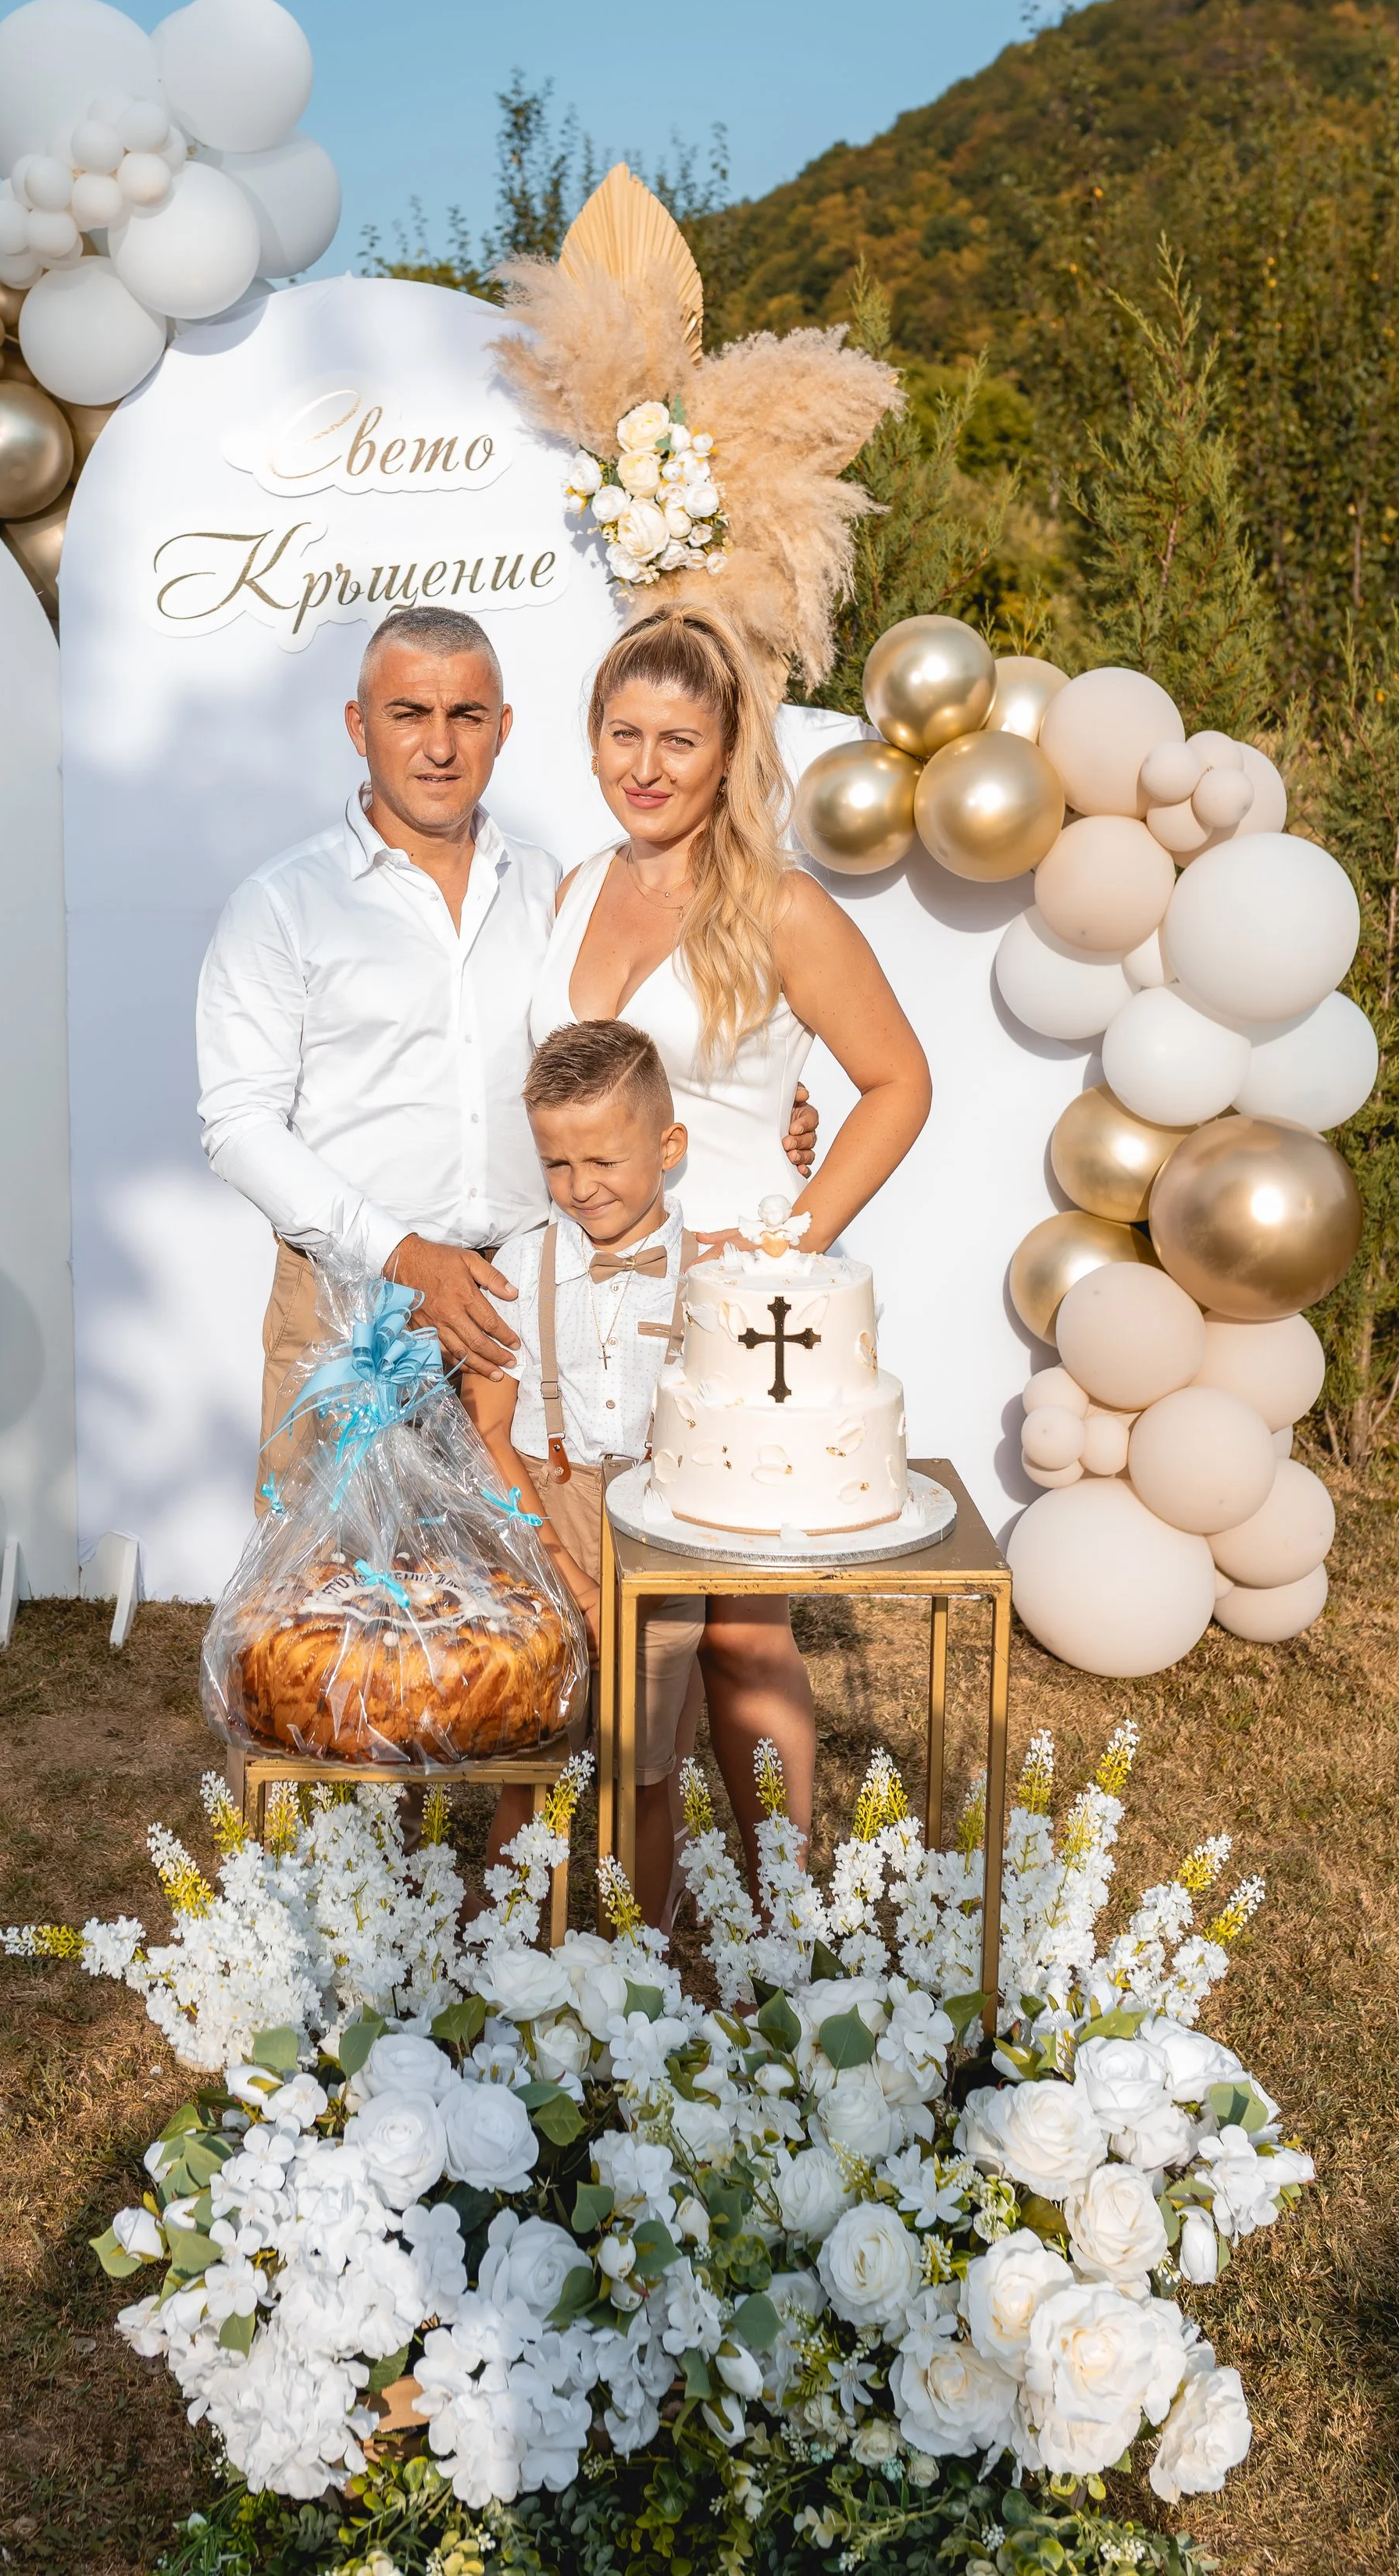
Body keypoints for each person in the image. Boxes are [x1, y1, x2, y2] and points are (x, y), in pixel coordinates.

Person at [195, 604, 821, 1461]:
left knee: (524, 1583)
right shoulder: (281, 906)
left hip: (533, 1293)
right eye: (408, 714)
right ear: (357, 726)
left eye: (467, 716)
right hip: (352, 1296)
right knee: (332, 1580)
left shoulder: (551, 889)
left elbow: (601, 1055)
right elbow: (237, 1127)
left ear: (504, 728)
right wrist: (405, 1256)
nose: (440, 746)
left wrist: (763, 1087)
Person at [530, 603, 932, 1879]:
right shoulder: (573, 888)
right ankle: (637, 1915)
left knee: (739, 1632)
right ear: (593, 741)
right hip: (589, 1305)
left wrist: (779, 1250)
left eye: (679, 740)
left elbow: (898, 1082)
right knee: (617, 1617)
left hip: (725, 1322)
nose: (646, 766)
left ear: (725, 754)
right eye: (623, 733)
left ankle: (782, 1916)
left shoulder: (781, 908)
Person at [462, 1018, 703, 1924]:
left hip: (662, 1531)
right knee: (535, 1750)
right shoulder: (520, 1266)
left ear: (668, 1146)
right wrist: (564, 1573)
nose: (579, 1187)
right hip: (539, 1519)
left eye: (603, 1160)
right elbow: (489, 1431)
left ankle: (639, 1954)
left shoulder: (710, 1273)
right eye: (557, 1165)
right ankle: (501, 1941)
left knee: (642, 1762)